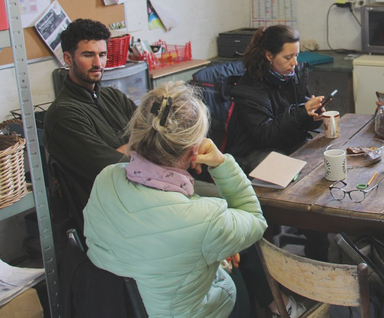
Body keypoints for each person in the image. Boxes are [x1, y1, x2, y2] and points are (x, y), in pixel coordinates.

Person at [84, 82, 303, 318]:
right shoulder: (205, 218)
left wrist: (208, 243)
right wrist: (222, 164)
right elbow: (255, 220)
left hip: (118, 306)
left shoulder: (106, 178)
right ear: (193, 152)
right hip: (188, 312)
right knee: (236, 281)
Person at [44, 18, 136, 215]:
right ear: (68, 58)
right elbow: (113, 168)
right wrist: (138, 144)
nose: (98, 63)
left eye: (102, 55)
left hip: (140, 192)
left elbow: (155, 133)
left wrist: (127, 148)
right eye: (88, 55)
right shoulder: (64, 114)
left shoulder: (113, 96)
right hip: (112, 211)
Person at [226, 24, 327, 171]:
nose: (295, 63)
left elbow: (300, 121)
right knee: (286, 169)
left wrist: (313, 116)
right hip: (257, 150)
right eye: (288, 57)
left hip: (288, 142)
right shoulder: (249, 89)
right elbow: (266, 136)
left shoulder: (292, 75)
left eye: (296, 55)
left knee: (322, 157)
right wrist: (300, 112)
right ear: (269, 56)